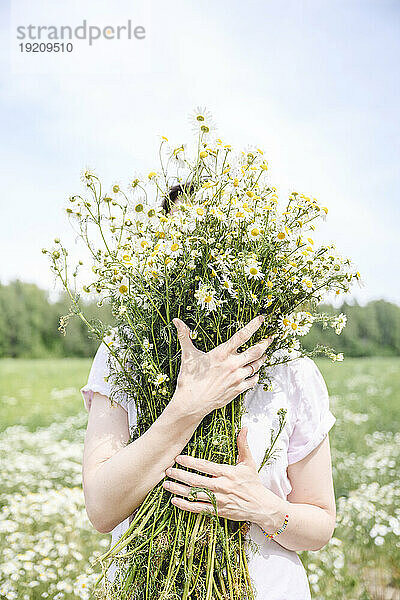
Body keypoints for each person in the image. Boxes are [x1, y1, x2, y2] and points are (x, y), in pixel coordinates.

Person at [80, 184, 337, 599]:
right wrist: (188, 407)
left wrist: (265, 507)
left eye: (221, 238)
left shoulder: (290, 367)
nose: (204, 256)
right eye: (187, 239)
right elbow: (101, 509)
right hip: (145, 588)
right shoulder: (124, 350)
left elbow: (321, 524)